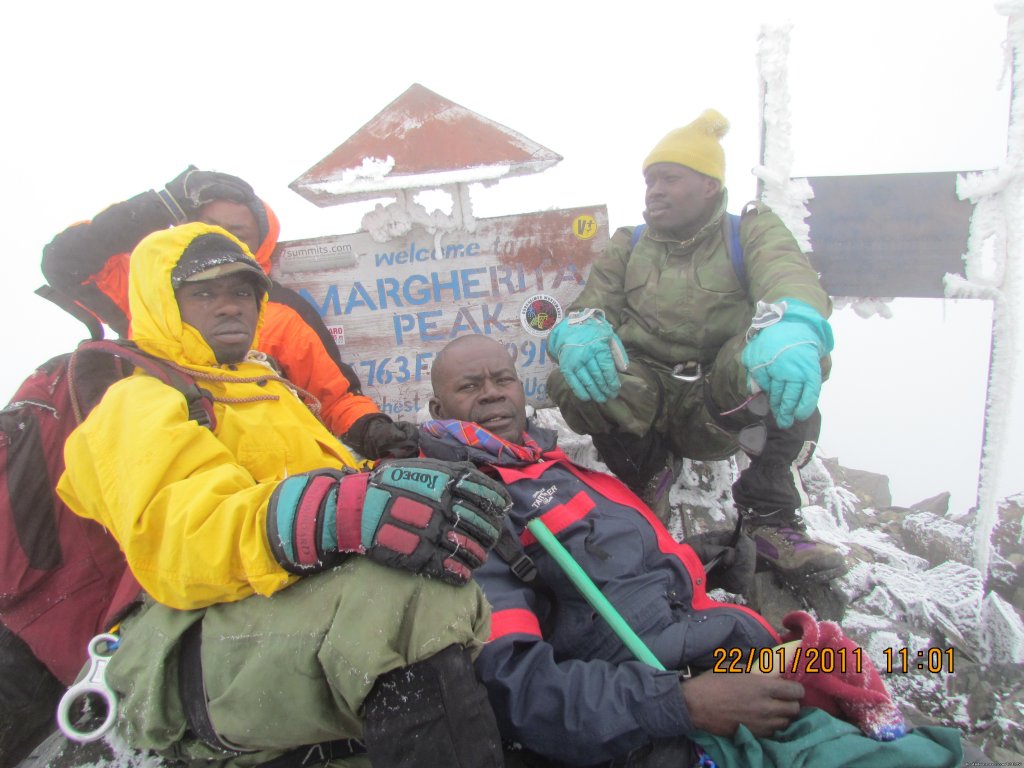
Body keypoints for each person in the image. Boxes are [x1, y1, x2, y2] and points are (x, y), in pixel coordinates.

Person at [55, 223, 511, 767]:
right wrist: (340, 509)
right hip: (183, 641)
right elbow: (185, 540)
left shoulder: (262, 386)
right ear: (159, 299)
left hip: (274, 614)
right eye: (204, 292)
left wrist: (408, 480)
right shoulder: (138, 401)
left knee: (445, 567)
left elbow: (332, 481)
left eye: (242, 292)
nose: (229, 307)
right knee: (412, 605)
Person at [420, 335, 963, 768]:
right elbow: (514, 687)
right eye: (470, 385)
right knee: (892, 755)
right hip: (665, 705)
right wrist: (686, 705)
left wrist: (696, 559)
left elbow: (607, 580)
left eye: (503, 378)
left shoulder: (548, 467)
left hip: (723, 652)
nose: (493, 393)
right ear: (435, 406)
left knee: (889, 673)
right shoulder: (462, 507)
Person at [545, 109, 845, 583]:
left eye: (669, 177)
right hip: (649, 397)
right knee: (577, 375)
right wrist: (578, 332)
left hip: (720, 404)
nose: (655, 190)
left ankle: (771, 518)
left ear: (709, 184)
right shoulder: (630, 243)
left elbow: (787, 274)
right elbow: (591, 306)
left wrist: (794, 323)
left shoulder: (749, 231)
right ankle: (647, 479)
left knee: (785, 350)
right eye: (649, 181)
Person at [41, 166, 415, 460]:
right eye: (205, 230)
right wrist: (162, 205)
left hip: (275, 481)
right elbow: (66, 260)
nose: (222, 244)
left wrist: (375, 433)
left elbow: (334, 398)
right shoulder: (146, 293)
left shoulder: (284, 315)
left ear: (261, 241)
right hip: (162, 458)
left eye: (238, 234)